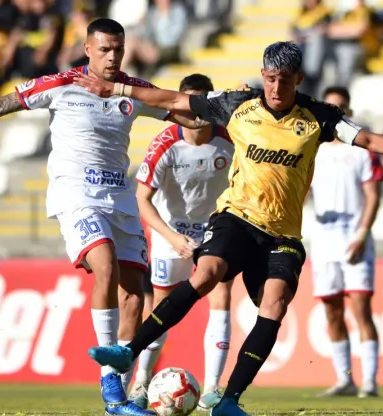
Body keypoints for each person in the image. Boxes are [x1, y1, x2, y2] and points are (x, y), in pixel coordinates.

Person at [75, 41, 383, 416]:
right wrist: (119, 89)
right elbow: (173, 99)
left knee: (274, 305)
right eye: (269, 78)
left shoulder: (319, 115)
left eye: (283, 81)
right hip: (237, 218)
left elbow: (366, 138)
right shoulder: (238, 103)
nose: (274, 88)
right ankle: (128, 352)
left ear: (298, 79)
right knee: (207, 274)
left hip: (283, 235)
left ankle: (229, 401)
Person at [0, 17, 209, 416]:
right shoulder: (62, 83)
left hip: (119, 199)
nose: (112, 56)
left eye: (118, 49)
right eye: (104, 49)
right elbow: (1, 103)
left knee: (135, 297)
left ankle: (117, 400)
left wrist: (222, 111)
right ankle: (109, 381)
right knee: (104, 265)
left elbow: (186, 115)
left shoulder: (133, 90)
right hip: (77, 193)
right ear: (87, 49)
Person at [128, 74, 235, 410]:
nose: (195, 111)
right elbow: (142, 199)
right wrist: (173, 238)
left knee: (221, 295)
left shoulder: (230, 139)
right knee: (161, 309)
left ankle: (212, 390)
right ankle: (141, 382)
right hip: (170, 232)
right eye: (189, 102)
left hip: (214, 231)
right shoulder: (165, 143)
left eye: (202, 102)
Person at [309, 86, 383, 399]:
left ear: (348, 113)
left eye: (341, 108)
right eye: (330, 107)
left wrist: (362, 234)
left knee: (361, 310)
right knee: (332, 311)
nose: (335, 112)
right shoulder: (312, 149)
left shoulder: (362, 151)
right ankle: (345, 379)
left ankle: (369, 381)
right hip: (323, 242)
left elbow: (373, 195)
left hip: (355, 240)